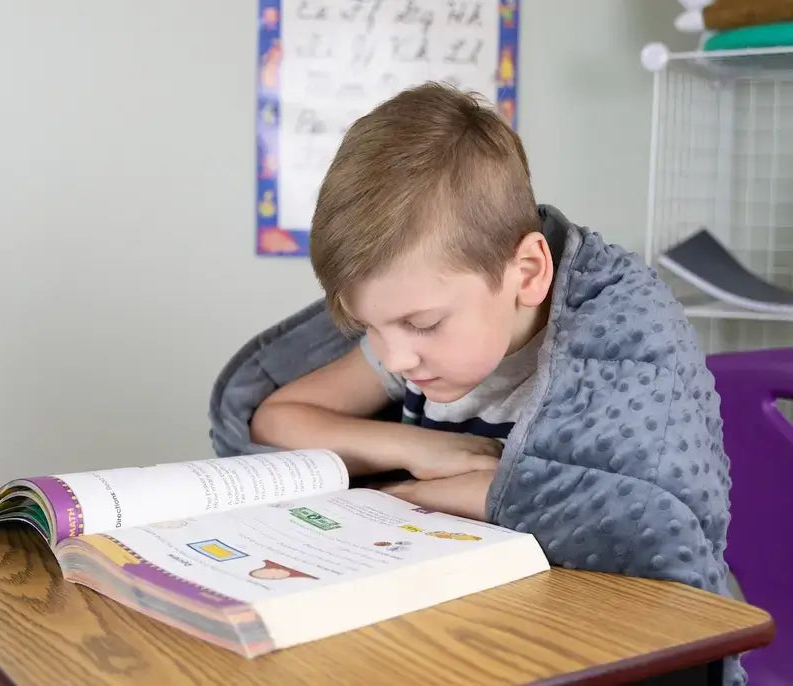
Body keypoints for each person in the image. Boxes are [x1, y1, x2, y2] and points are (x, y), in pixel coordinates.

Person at [210, 82, 742, 684]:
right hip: (469, 630)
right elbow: (275, 418)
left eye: (422, 323)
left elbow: (642, 517)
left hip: (600, 632)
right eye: (368, 327)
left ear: (529, 273)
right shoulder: (413, 343)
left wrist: (407, 496)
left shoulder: (613, 342)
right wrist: (424, 450)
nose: (397, 357)